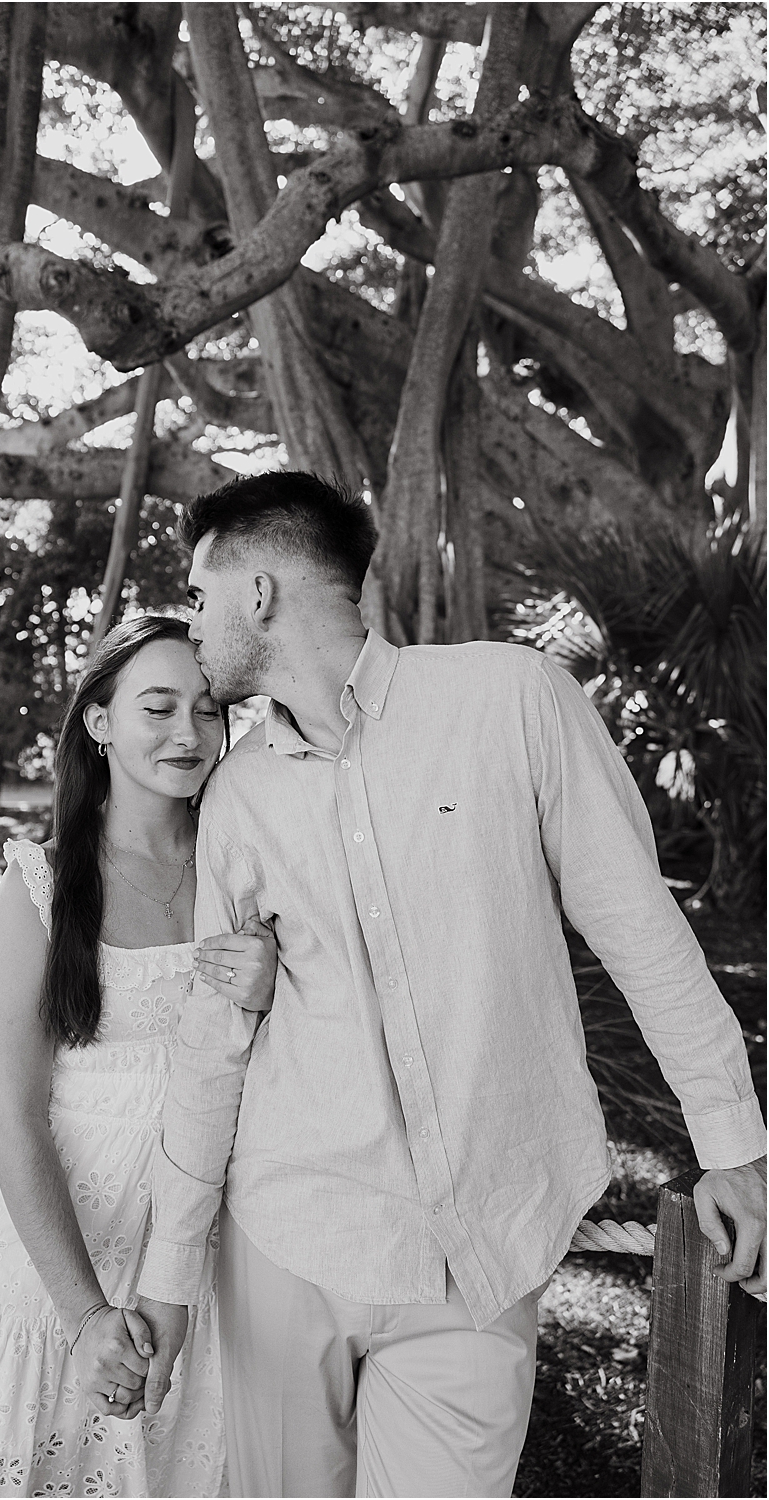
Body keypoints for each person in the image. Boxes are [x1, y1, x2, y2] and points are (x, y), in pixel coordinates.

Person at [130, 471, 767, 1497]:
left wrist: (733, 1146)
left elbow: (640, 931)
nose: (190, 624)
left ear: (257, 592)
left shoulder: (510, 698)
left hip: (481, 1253)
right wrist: (167, 1278)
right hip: (290, 1239)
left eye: (199, 595)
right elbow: (215, 1040)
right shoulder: (237, 794)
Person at [0, 615, 278, 1497]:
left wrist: (275, 985)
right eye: (158, 707)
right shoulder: (41, 887)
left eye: (208, 712)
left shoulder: (249, 870)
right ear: (98, 721)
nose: (188, 734)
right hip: (43, 1262)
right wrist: (85, 1310)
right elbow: (11, 1112)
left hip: (204, 1255)